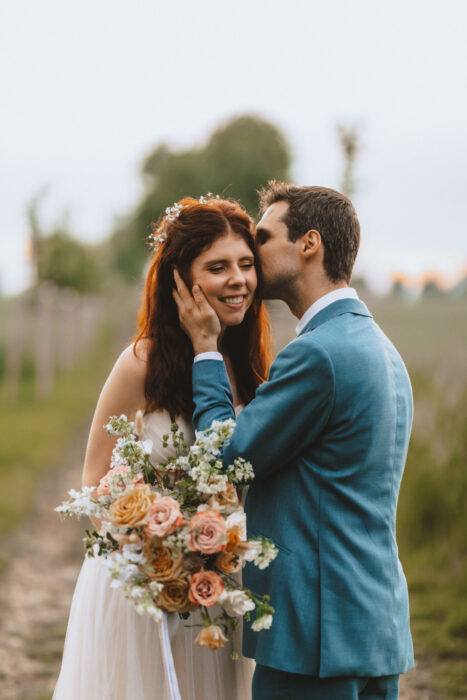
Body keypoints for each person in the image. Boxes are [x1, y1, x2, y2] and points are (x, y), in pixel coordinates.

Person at [173, 182, 414, 700]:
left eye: (262, 236)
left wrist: (206, 351)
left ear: (308, 245)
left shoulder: (318, 354)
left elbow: (226, 456)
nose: (251, 254)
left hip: (315, 637)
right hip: (374, 625)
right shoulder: (380, 347)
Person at [53, 195, 273, 700]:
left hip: (218, 589)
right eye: (217, 267)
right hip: (142, 591)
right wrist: (158, 554)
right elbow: (94, 479)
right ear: (180, 280)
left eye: (246, 264)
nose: (238, 280)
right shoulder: (141, 363)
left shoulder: (255, 366)